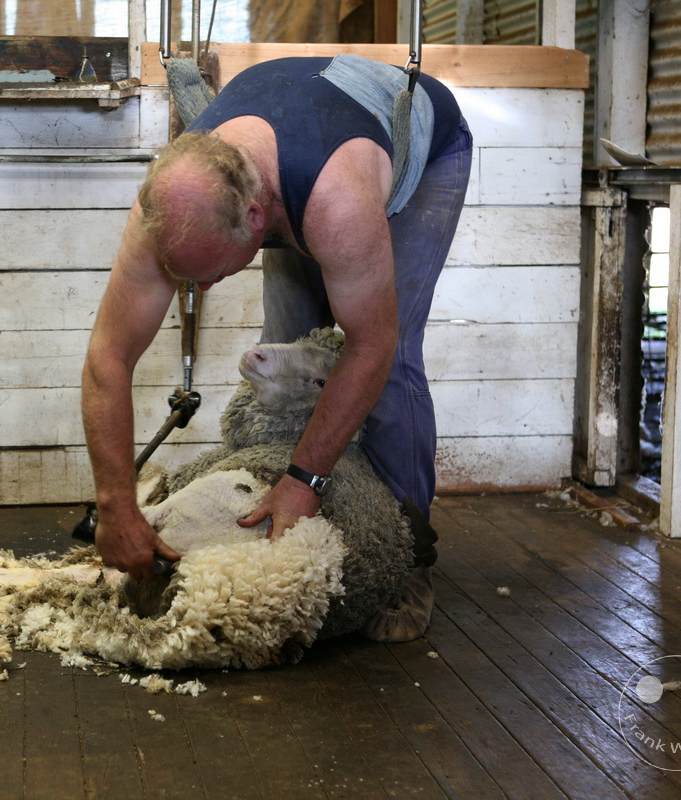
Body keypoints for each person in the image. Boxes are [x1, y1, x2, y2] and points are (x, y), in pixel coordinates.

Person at [81, 55, 473, 585]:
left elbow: (370, 346)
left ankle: (405, 564)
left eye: (216, 271)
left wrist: (304, 479)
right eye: (188, 276)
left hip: (416, 138)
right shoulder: (165, 207)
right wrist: (115, 506)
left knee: (393, 358)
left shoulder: (337, 203)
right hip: (293, 145)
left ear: (256, 218)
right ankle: (278, 534)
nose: (207, 286)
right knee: (286, 351)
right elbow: (109, 356)